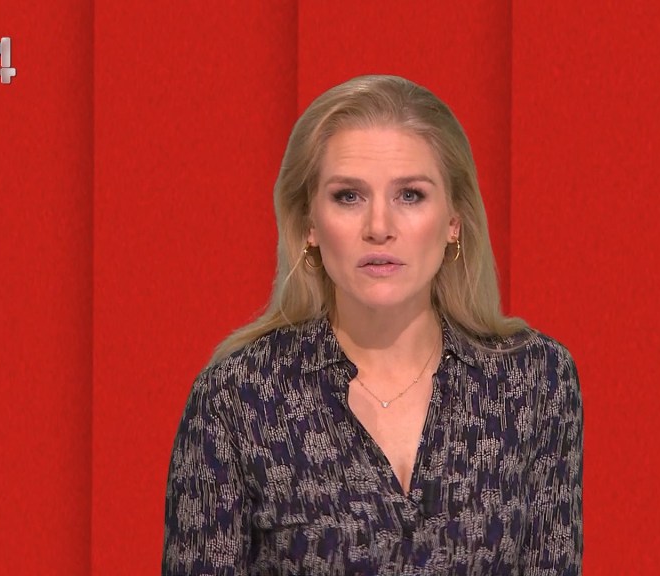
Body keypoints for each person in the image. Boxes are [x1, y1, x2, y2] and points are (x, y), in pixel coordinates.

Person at [162, 74, 583, 575]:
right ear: (309, 224)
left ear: (454, 221)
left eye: (410, 195)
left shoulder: (535, 380)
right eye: (348, 196)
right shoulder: (236, 400)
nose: (379, 227)